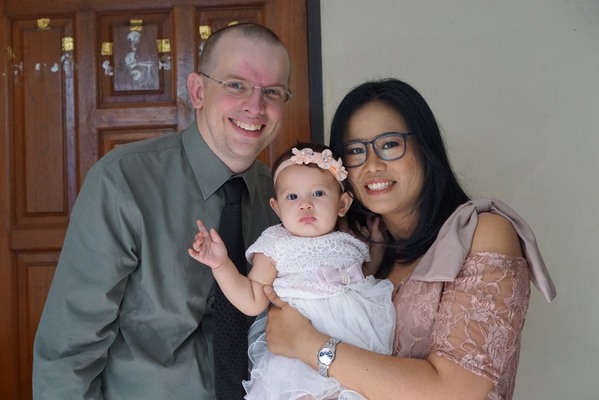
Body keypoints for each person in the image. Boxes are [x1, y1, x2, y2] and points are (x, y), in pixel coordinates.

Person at [32, 23, 292, 399]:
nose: (255, 105)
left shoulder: (288, 201)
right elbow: (69, 350)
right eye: (236, 85)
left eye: (272, 91)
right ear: (198, 91)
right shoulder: (122, 182)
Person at [261, 78, 557, 400]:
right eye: (356, 151)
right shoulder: (355, 247)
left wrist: (307, 344)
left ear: (425, 147)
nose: (373, 166)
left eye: (390, 144)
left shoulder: (482, 232)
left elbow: (458, 391)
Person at [188, 144, 396, 399]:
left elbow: (362, 275)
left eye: (318, 193)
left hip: (354, 347)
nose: (305, 205)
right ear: (277, 208)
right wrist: (221, 265)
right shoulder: (275, 244)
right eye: (292, 197)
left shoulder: (348, 239)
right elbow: (252, 299)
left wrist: (378, 247)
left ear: (342, 204)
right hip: (298, 355)